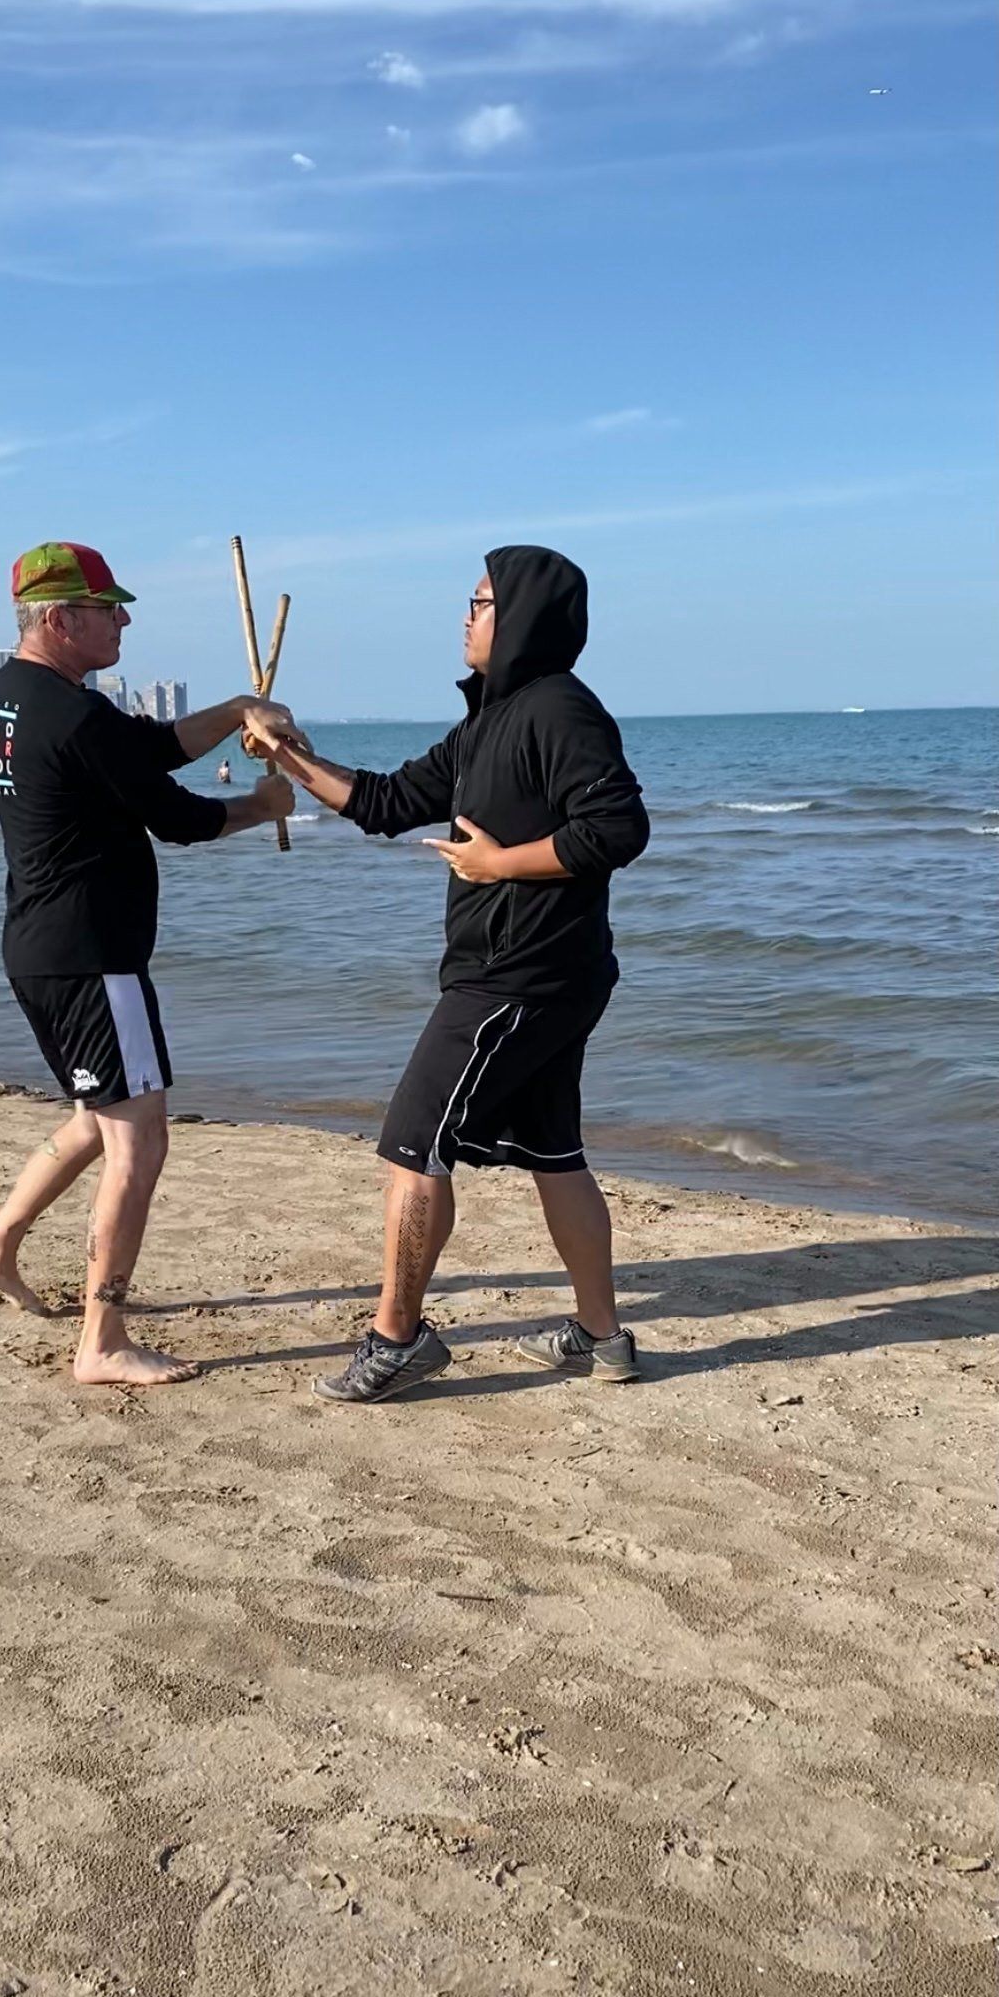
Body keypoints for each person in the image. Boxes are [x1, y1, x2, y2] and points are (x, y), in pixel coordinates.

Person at [244, 544, 649, 1403]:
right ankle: (601, 1337)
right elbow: (384, 802)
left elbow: (616, 827)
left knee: (410, 1145)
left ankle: (397, 1341)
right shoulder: (487, 721)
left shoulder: (560, 711)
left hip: (519, 975)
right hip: (540, 974)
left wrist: (503, 867)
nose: (464, 618)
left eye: (477, 602)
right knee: (553, 1152)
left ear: (522, 619)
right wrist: (287, 755)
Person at [0, 540, 298, 1387]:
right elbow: (175, 817)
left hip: (40, 947)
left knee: (92, 1119)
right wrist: (261, 806)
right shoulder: (70, 715)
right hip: (91, 958)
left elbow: (139, 747)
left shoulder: (13, 694)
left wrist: (230, 711)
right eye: (110, 609)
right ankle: (101, 1339)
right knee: (139, 1142)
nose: (125, 621)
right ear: (61, 618)